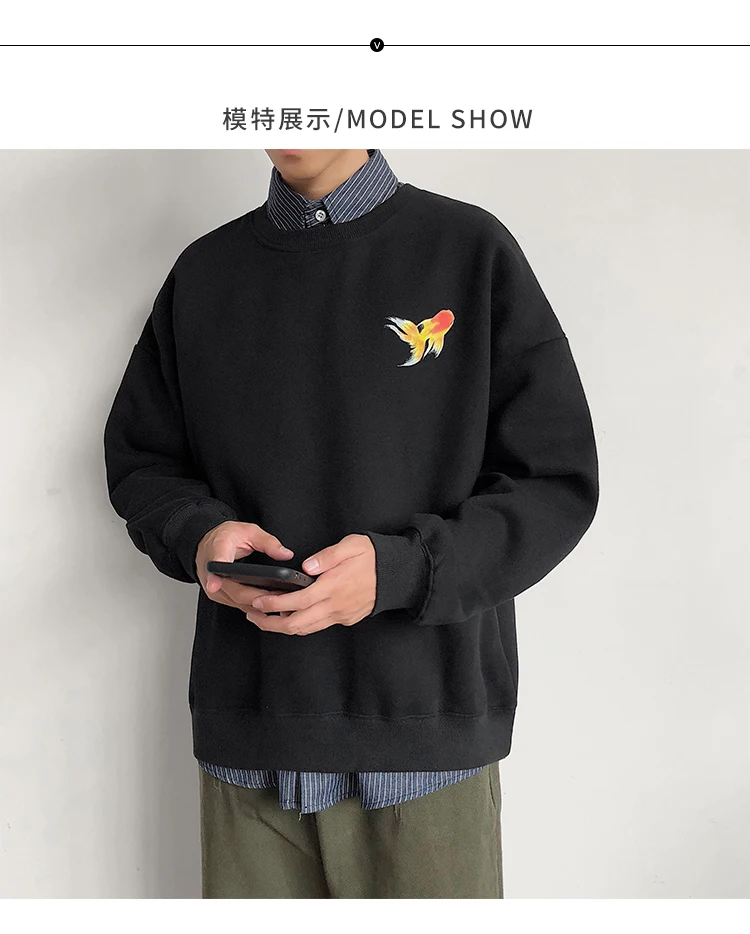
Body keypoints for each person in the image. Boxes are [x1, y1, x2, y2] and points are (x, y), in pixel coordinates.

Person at [103, 148, 599, 899]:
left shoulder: (469, 250)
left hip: (424, 743)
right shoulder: (205, 273)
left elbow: (555, 482)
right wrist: (200, 534)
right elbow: (143, 460)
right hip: (251, 739)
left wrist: (402, 571)